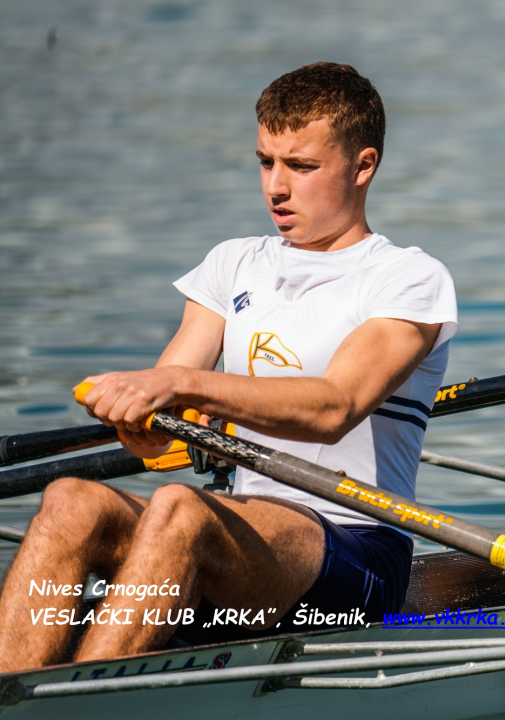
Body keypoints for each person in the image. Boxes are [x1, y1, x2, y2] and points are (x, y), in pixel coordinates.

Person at [0, 62, 457, 671]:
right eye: (266, 162)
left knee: (180, 508)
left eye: (301, 166)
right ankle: (16, 689)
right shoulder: (233, 264)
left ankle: (82, 703)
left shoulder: (409, 278)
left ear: (362, 165)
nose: (276, 186)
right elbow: (161, 434)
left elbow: (335, 407)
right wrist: (141, 422)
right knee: (69, 502)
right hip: (248, 543)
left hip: (358, 553)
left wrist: (179, 385)